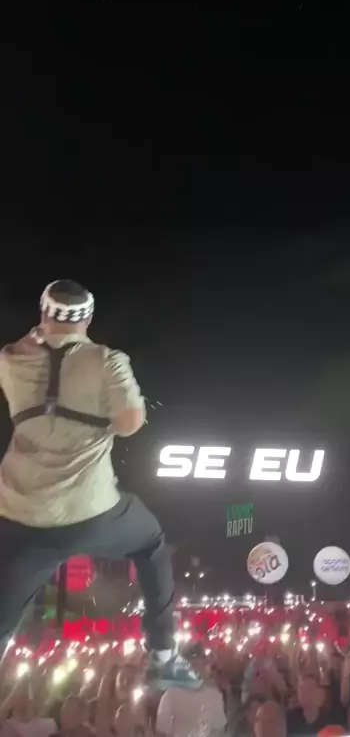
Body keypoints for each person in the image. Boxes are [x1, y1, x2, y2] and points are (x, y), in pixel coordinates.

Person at [0, 279, 201, 692]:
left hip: (20, 514)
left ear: (43, 314)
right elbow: (131, 423)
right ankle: (163, 655)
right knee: (151, 543)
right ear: (88, 318)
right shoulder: (107, 362)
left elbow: (35, 348)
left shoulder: (11, 358)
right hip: (91, 511)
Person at [156, 643, 227, 737]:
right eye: (191, 664)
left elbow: (219, 730)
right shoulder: (171, 695)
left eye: (197, 664)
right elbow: (163, 730)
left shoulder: (214, 696)